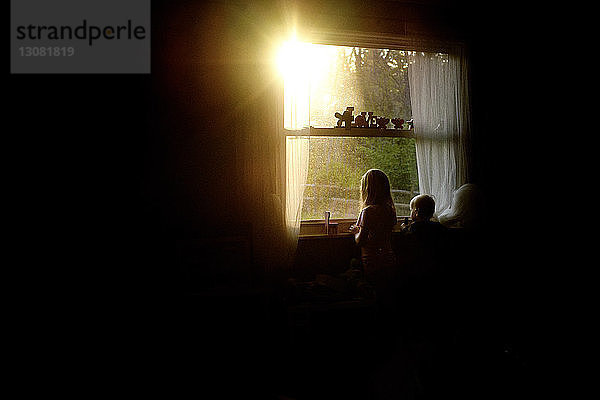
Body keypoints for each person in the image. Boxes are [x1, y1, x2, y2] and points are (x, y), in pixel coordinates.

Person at [349, 169, 397, 280]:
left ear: (366, 189)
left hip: (372, 260)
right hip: (389, 257)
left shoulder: (367, 211)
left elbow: (360, 241)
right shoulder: (390, 210)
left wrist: (356, 232)